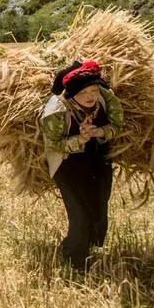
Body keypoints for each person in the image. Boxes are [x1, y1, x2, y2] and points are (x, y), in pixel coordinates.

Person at [41, 60, 123, 270]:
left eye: (94, 90)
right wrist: (81, 139)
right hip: (66, 165)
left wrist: (99, 132)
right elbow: (55, 145)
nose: (91, 96)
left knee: (99, 209)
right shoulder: (55, 111)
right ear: (72, 94)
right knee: (80, 214)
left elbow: (117, 125)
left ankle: (91, 251)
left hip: (97, 158)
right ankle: (74, 263)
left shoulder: (107, 98)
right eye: (85, 92)